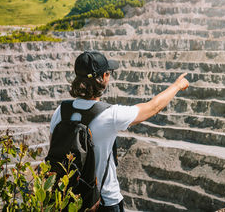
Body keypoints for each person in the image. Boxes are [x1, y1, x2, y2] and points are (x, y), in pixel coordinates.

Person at [49, 51, 189, 212]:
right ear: (104, 77)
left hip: (67, 200)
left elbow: (54, 149)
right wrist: (177, 85)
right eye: (108, 73)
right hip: (104, 201)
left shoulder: (61, 111)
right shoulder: (110, 115)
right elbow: (153, 107)